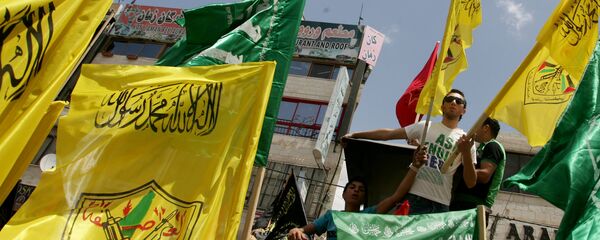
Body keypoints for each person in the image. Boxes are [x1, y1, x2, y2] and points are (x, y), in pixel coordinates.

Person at [342, 89, 477, 214]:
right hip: (415, 198)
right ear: (442, 106)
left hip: (441, 204)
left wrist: (465, 152)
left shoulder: (466, 141)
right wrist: (355, 135)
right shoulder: (425, 126)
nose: (453, 102)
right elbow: (389, 134)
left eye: (458, 101)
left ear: (463, 110)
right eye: (449, 99)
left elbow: (471, 182)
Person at [287, 150, 428, 240]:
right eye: (352, 187)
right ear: (343, 194)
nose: (356, 191)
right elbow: (303, 230)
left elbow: (396, 197)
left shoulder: (369, 214)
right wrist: (296, 231)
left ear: (364, 198)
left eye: (361, 190)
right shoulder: (332, 216)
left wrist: (415, 167)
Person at [450, 117, 506, 218]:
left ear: (486, 128)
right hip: (465, 205)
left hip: (472, 207)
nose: (472, 129)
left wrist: (459, 171)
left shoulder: (492, 146)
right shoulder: (481, 147)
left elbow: (485, 175)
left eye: (476, 126)